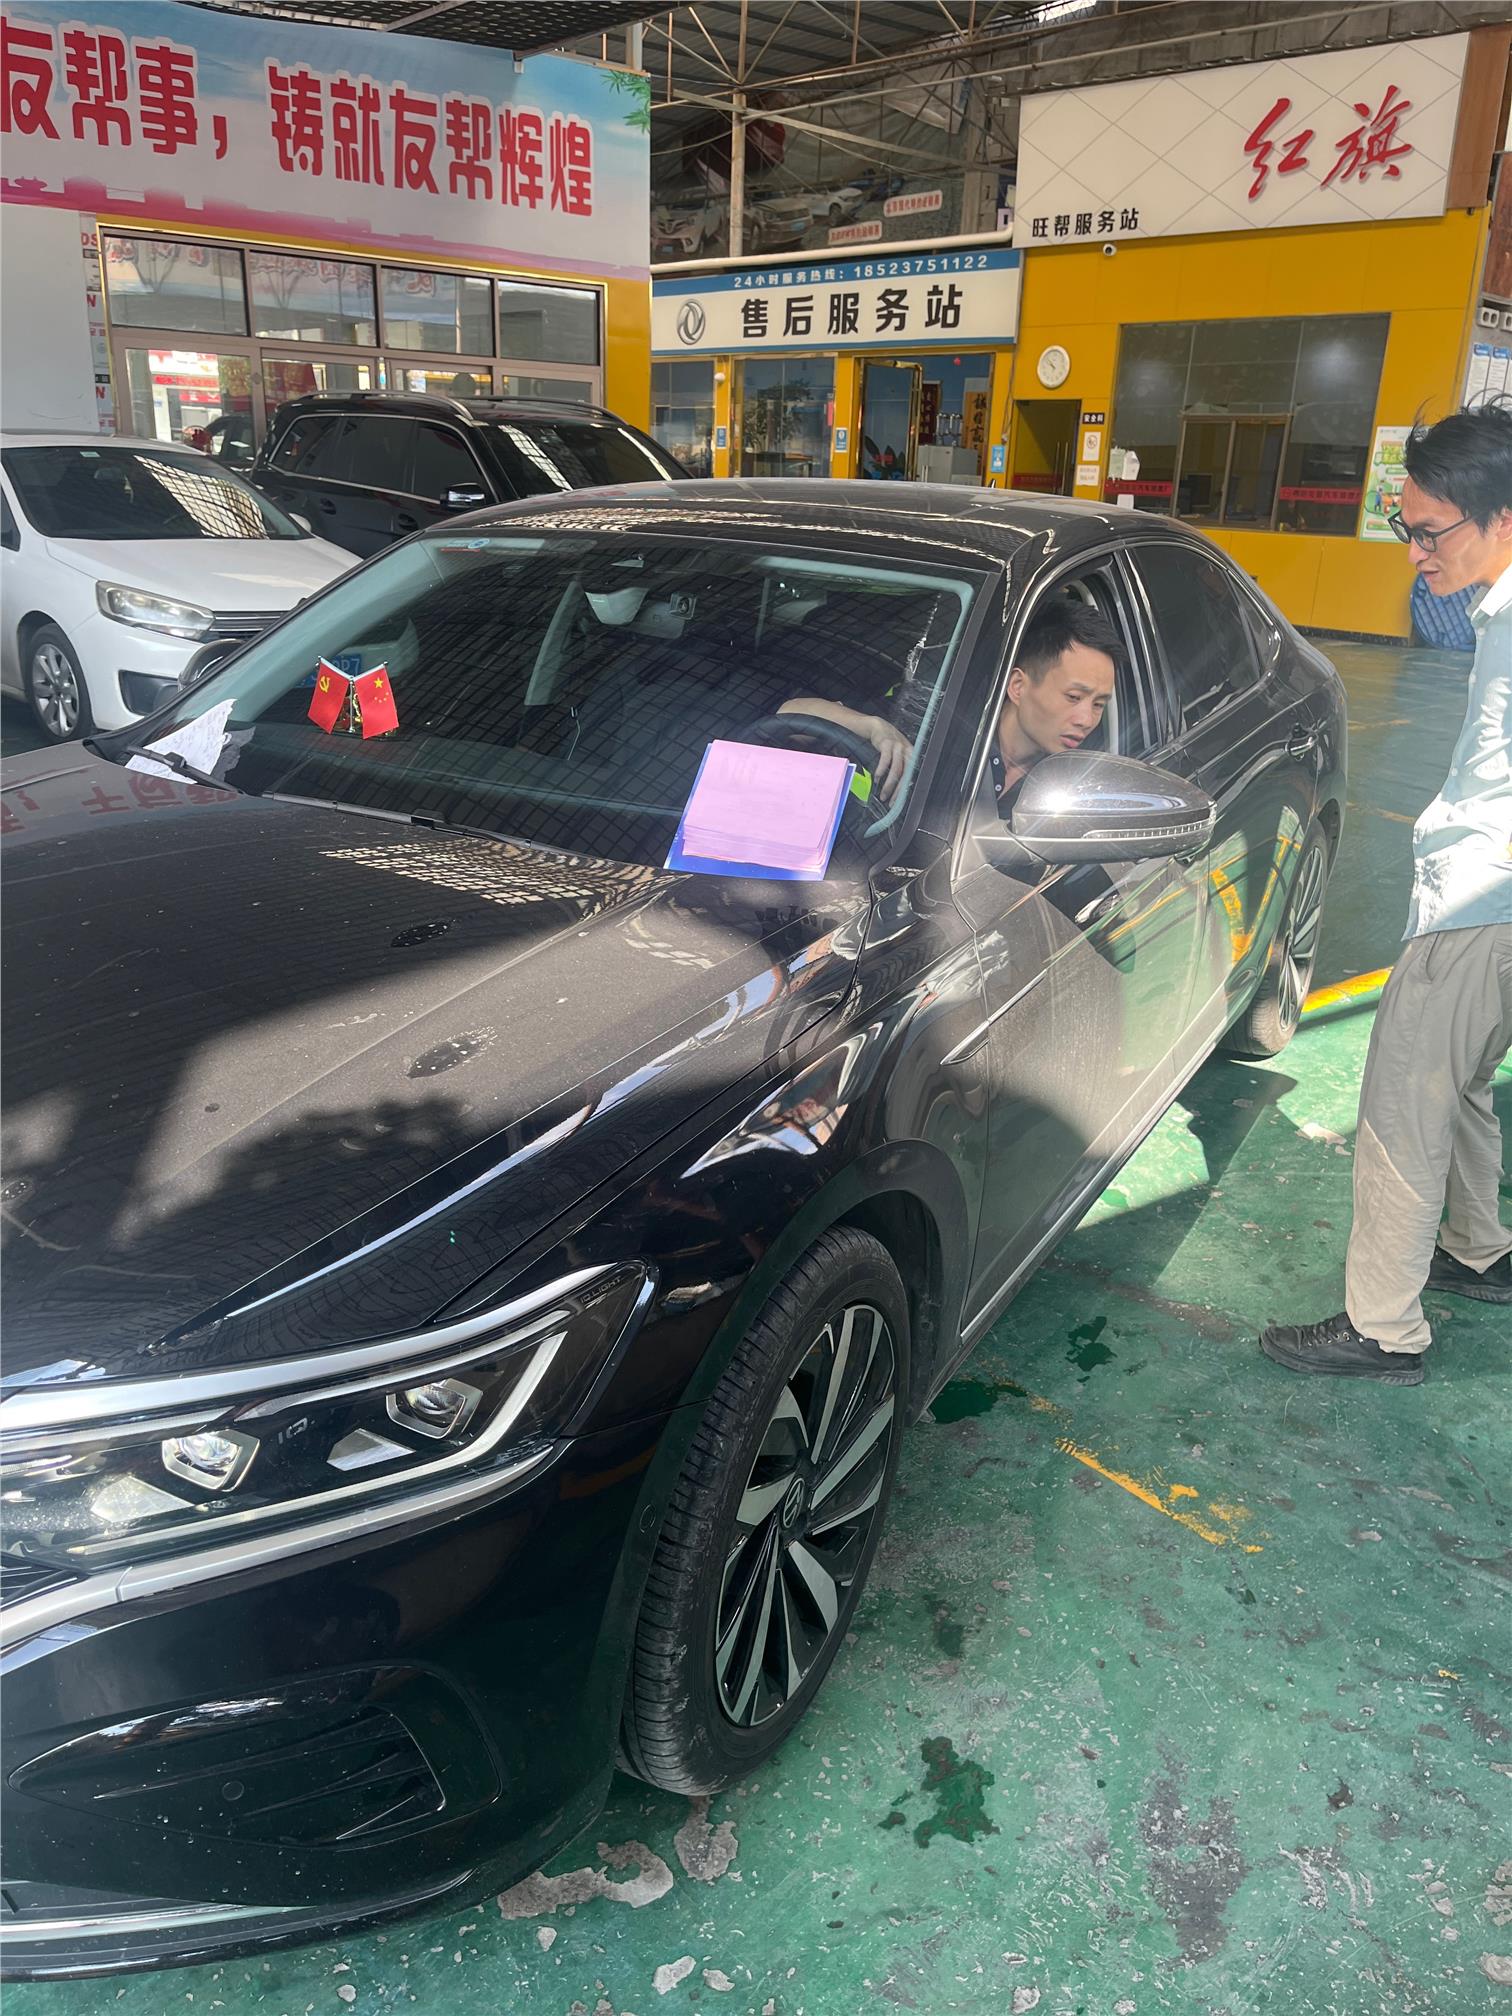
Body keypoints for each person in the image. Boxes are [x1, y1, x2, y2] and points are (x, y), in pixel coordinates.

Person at [1260, 403, 1512, 1385]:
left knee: (1404, 1103)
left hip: (1481, 904)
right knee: (1464, 1083)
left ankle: (1383, 1329)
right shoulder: (1496, 611)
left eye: (1431, 532)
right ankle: (1479, 1250)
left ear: (1502, 518)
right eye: (1409, 528)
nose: (1415, 552)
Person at [778, 594, 1119, 809]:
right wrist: (873, 728)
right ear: (1017, 686)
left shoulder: (1078, 783)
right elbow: (790, 715)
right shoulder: (929, 725)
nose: (1086, 719)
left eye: (1099, 704)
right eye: (1074, 697)